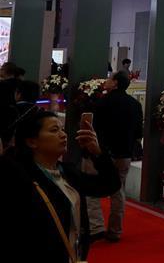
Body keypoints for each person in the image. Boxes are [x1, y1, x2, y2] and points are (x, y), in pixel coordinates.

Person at [0, 110, 120, 262]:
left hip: (74, 254)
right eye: (54, 130)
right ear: (32, 142)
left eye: (62, 129)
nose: (63, 135)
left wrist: (97, 153)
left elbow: (109, 185)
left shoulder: (68, 172)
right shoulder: (18, 176)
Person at [87, 70, 143, 243]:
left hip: (101, 153)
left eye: (110, 79)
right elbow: (138, 132)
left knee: (92, 189)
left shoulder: (102, 102)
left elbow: (95, 128)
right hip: (124, 154)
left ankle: (96, 227)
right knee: (118, 191)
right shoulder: (135, 104)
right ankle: (115, 230)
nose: (107, 80)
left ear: (116, 83)